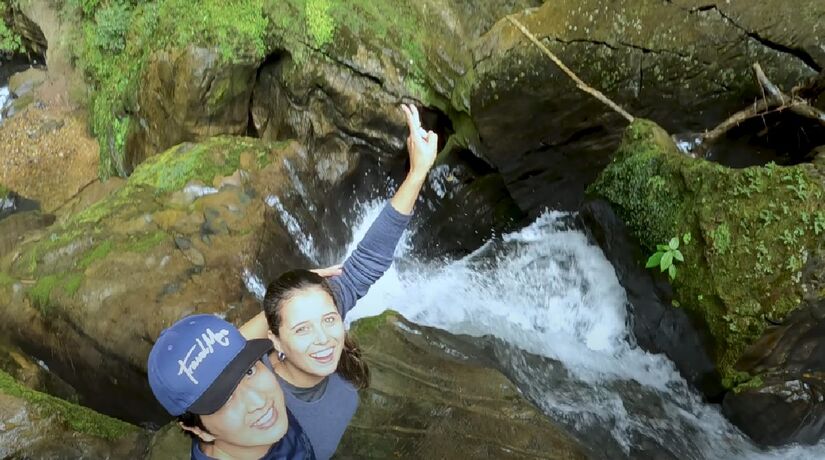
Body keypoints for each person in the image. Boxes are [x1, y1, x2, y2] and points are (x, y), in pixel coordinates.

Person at [239, 103, 438, 459]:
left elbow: (367, 262)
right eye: (301, 329)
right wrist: (280, 310)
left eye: (329, 320)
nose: (324, 339)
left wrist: (417, 173)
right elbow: (208, 373)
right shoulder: (255, 395)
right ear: (275, 338)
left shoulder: (335, 350)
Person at [148, 314, 316, 460]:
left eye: (248, 371)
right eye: (225, 399)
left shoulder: (251, 428)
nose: (258, 401)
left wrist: (294, 290)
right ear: (198, 430)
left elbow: (235, 346)